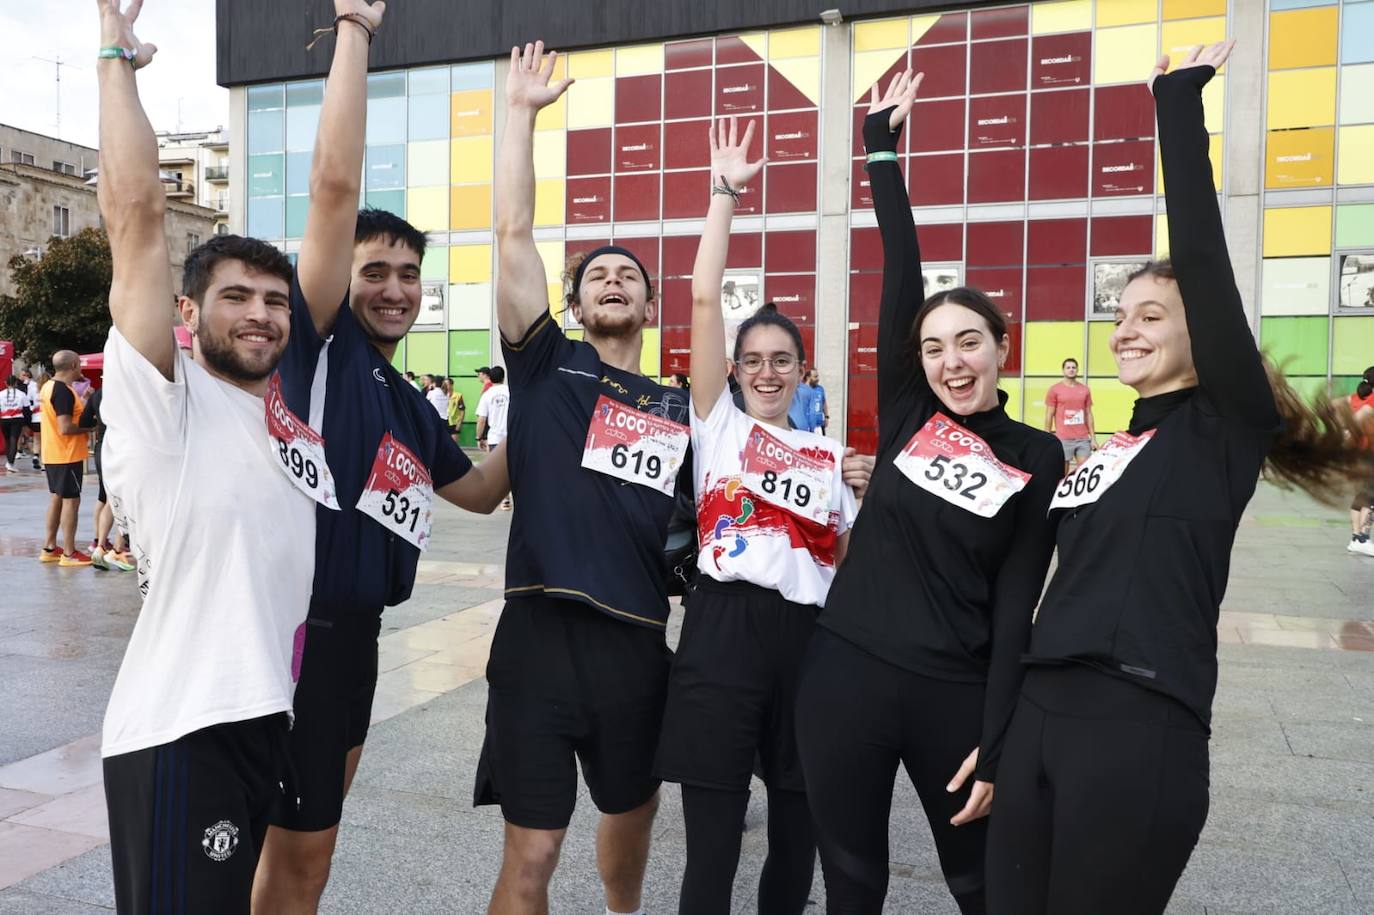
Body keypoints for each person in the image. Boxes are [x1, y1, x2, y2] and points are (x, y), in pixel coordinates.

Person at [985, 43, 1374, 915]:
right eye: (1119, 315)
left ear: (1206, 335)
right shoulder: (1117, 447)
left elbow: (1202, 258)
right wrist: (1000, 729)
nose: (1124, 330)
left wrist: (1175, 107)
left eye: (1150, 314)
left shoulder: (1223, 427)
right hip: (1040, 712)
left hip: (1137, 721)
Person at [251, 4, 512, 910]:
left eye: (408, 275)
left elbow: (477, 490)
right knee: (282, 857)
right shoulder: (319, 344)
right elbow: (331, 187)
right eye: (375, 271)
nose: (394, 289)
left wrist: (553, 410)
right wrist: (357, 30)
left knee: (309, 858)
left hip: (357, 644)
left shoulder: (407, 398)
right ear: (339, 279)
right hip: (291, 635)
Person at [793, 71, 1063, 915]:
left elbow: (1020, 600)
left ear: (1000, 349)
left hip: (954, 693)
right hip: (843, 676)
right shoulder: (909, 410)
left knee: (977, 884)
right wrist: (881, 149)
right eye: (936, 345)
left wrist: (997, 737)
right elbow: (899, 272)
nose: (953, 360)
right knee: (854, 885)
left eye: (970, 342)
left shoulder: (1037, 452)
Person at [92, 3, 316, 909]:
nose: (260, 312)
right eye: (235, 297)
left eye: (274, 299)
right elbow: (137, 217)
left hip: (260, 717)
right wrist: (115, 60)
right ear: (189, 316)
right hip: (182, 725)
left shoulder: (284, 424)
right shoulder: (165, 400)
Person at [655, 117, 858, 915]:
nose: (767, 371)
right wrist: (724, 194)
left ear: (802, 370)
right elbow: (705, 296)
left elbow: (851, 560)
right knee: (711, 846)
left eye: (782, 359)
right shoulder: (720, 426)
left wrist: (867, 492)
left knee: (796, 841)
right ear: (732, 371)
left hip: (811, 646)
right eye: (752, 360)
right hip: (722, 633)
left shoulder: (832, 455)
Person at [38, 350, 93, 567]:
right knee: (71, 501)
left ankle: (50, 546)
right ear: (73, 365)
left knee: (57, 498)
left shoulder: (48, 386)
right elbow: (65, 427)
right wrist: (90, 427)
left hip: (53, 453)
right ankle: (69, 553)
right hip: (66, 453)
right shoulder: (62, 391)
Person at [78, 385, 136, 572]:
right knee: (124, 498)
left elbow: (84, 420)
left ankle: (100, 545)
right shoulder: (127, 389)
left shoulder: (98, 393)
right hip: (122, 447)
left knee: (109, 498)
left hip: (102, 447)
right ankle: (118, 549)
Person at [1338, 366, 1374, 556]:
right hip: (1369, 454)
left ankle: (1355, 538)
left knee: (1361, 495)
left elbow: (1333, 404)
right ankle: (1363, 538)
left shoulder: (1355, 398)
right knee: (1370, 496)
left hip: (1357, 454)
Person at [1045, 358, 1095, 472]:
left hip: (1082, 438)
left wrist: (1093, 438)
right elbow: (1049, 414)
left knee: (1084, 472)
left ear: (1077, 370)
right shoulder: (1055, 390)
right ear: (1063, 371)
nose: (1071, 370)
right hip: (1063, 439)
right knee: (1062, 474)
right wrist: (1047, 436)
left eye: (1073, 367)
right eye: (1068, 367)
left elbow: (1088, 414)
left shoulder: (1085, 390)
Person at [476, 365, 509, 452]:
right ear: (503, 377)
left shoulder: (487, 394)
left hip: (494, 439)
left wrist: (479, 438)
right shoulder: (511, 392)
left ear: (490, 377)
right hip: (511, 438)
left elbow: (481, 419)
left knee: (495, 465)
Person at [1, 375, 26, 472]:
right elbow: (27, 409)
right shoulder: (21, 394)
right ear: (16, 383)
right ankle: (10, 463)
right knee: (14, 440)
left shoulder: (1, 394)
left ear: (5, 383)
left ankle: (9, 461)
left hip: (4, 419)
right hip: (17, 419)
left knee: (8, 440)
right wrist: (26, 422)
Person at [21, 369, 42, 469]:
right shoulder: (49, 389)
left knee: (37, 439)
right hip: (46, 419)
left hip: (35, 418)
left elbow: (29, 402)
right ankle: (44, 462)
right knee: (46, 440)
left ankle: (35, 455)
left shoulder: (32, 389)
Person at [806, 368, 829, 435]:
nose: (817, 379)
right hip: (807, 427)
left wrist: (826, 416)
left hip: (819, 426)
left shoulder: (820, 389)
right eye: (815, 377)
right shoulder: (802, 390)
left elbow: (823, 402)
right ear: (808, 377)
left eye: (817, 376)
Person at [446, 377, 466, 444]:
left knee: (454, 444)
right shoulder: (442, 395)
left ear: (451, 385)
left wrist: (459, 423)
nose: (446, 386)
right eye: (444, 385)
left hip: (454, 423)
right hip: (445, 422)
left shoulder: (458, 396)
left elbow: (462, 410)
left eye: (447, 384)